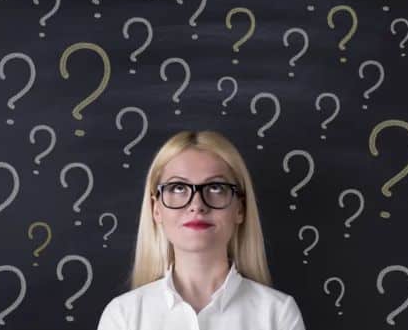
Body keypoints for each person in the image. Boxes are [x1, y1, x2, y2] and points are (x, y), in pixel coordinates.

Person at [97, 130, 306, 330]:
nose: (197, 205)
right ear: (156, 209)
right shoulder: (123, 315)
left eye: (215, 187)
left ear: (240, 209)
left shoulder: (278, 314)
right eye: (178, 188)